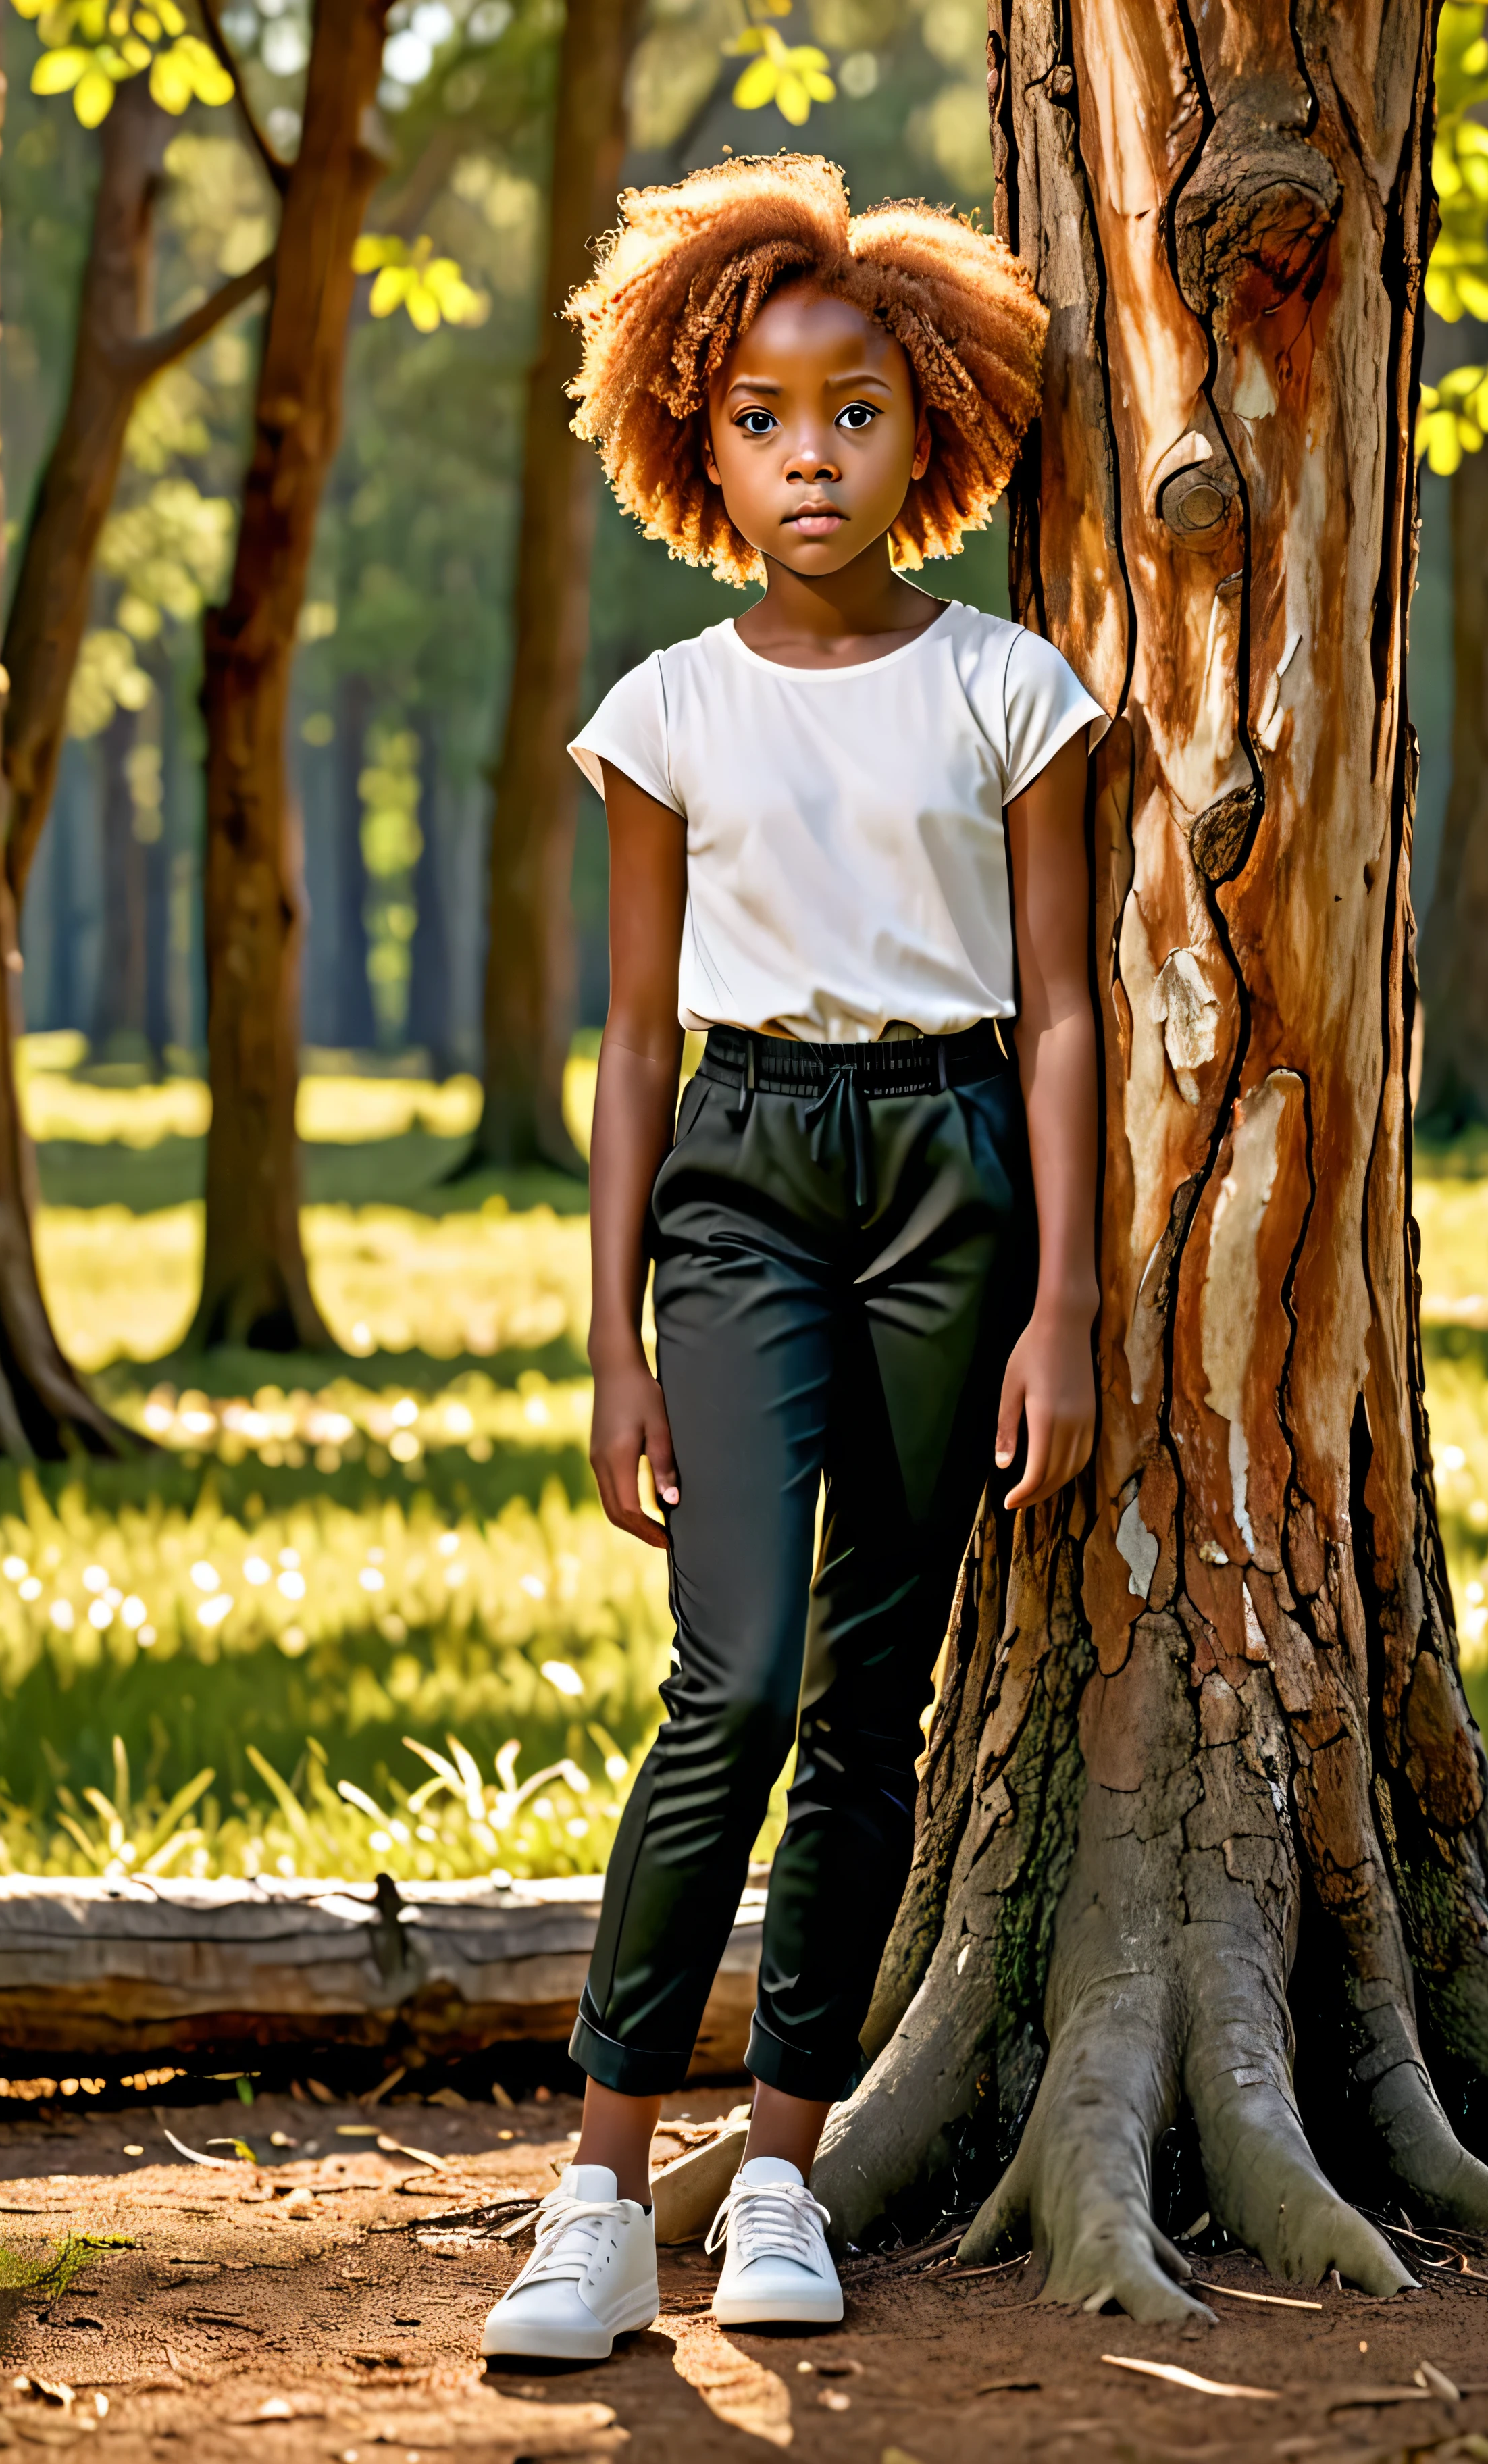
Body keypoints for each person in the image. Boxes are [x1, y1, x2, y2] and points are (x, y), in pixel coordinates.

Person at [482, 152, 1104, 2366]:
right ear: (692, 431)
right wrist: (610, 1345)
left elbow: (1057, 1013)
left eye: (852, 410)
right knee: (728, 1680)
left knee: (868, 1698)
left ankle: (779, 2171)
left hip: (957, 1183)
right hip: (740, 1184)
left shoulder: (1014, 690)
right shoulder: (667, 712)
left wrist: (1066, 1304)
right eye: (759, 413)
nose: (808, 453)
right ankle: (589, 2184)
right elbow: (635, 1039)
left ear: (931, 420)